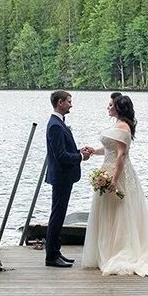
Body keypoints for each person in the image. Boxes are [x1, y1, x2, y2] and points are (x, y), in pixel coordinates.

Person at [81, 94, 148, 276]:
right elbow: (110, 150)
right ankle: (108, 250)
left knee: (120, 212)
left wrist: (113, 180)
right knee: (108, 212)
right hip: (108, 169)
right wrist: (94, 151)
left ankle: (121, 250)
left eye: (111, 105)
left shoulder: (123, 127)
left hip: (118, 174)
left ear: (119, 108)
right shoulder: (117, 125)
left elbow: (121, 155)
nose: (108, 107)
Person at [44, 89, 93, 268]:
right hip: (61, 177)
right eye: (69, 101)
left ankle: (56, 252)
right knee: (57, 216)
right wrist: (81, 157)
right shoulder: (55, 125)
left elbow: (65, 150)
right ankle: (51, 256)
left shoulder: (58, 123)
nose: (71, 105)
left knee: (59, 214)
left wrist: (79, 151)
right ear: (60, 103)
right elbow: (61, 156)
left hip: (63, 177)